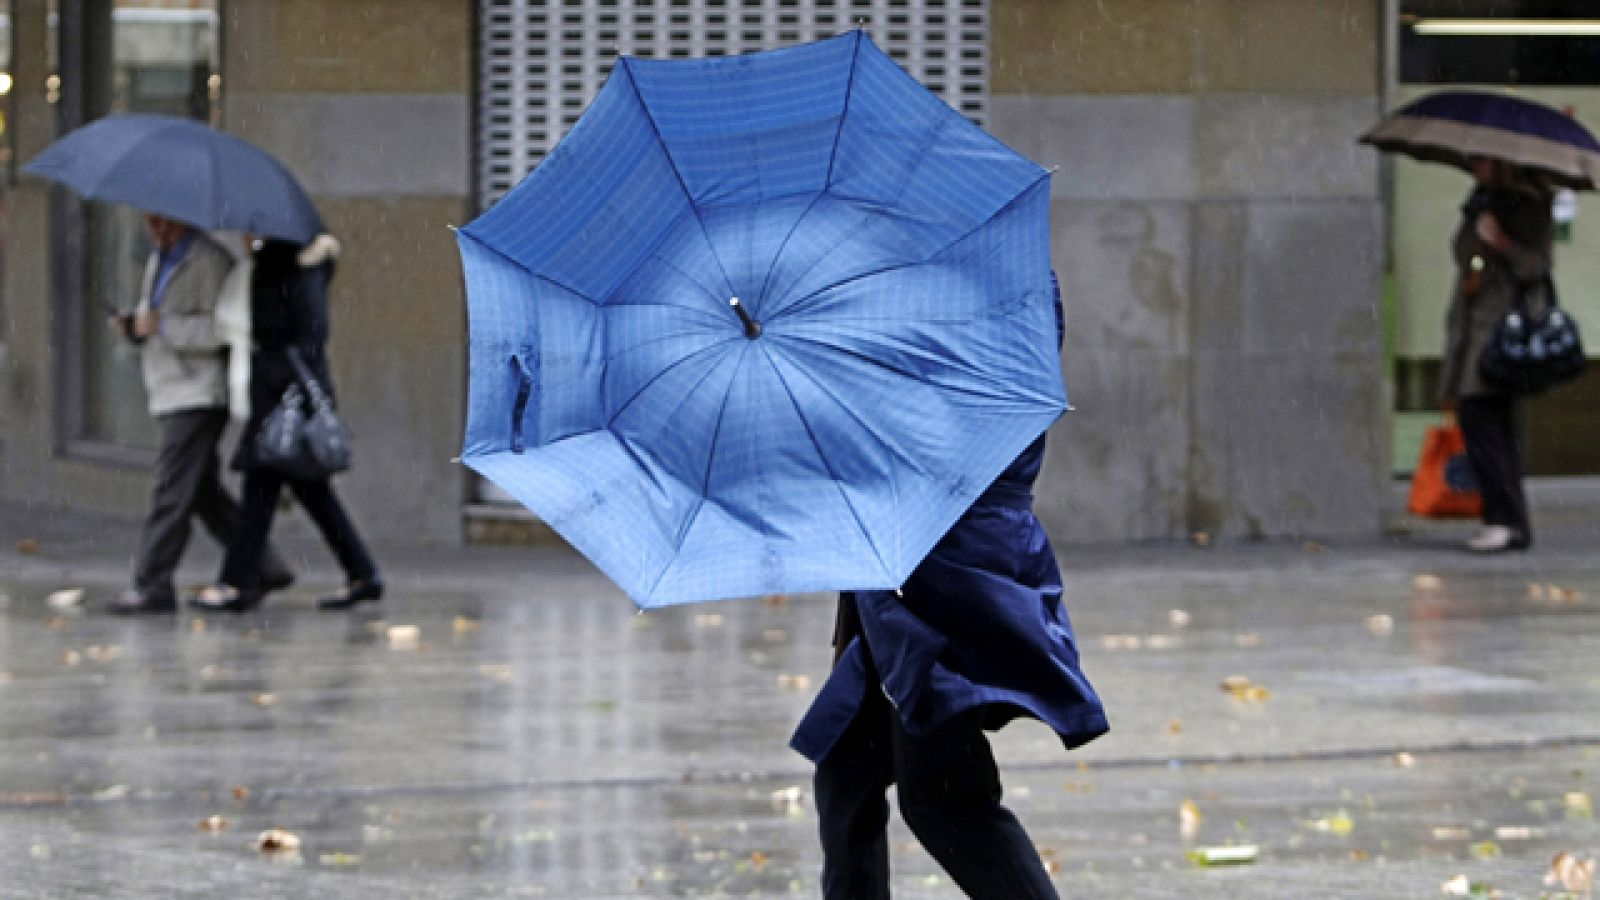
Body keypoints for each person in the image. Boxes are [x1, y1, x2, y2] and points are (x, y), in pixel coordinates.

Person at [790, 277, 1107, 899]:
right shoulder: (920, 281)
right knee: (847, 770)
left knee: (946, 801)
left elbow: (944, 428)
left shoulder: (987, 292)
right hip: (911, 567)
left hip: (946, 577)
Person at [109, 214, 293, 615]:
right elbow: (156, 314)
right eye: (150, 225)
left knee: (171, 488)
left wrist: (163, 327)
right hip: (169, 387)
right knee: (202, 491)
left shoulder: (209, 261)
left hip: (199, 391)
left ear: (182, 221)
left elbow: (218, 331)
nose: (157, 233)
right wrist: (136, 327)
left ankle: (153, 583)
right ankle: (265, 565)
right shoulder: (160, 258)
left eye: (165, 225)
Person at [193, 234, 383, 612]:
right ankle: (362, 573)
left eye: (253, 233)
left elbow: (310, 337)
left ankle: (237, 583)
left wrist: (279, 375)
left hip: (285, 402)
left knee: (259, 495)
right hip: (277, 397)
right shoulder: (271, 267)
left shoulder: (298, 271)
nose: (247, 239)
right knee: (311, 495)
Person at [1441, 157, 1554, 553]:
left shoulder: (1530, 203)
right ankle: (1509, 522)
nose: (1474, 166)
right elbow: (1461, 251)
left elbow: (1536, 267)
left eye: (1482, 161)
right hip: (1474, 321)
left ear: (1503, 162)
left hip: (1502, 330)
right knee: (1491, 423)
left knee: (1481, 416)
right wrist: (1477, 236)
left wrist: (1501, 242)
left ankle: (1503, 520)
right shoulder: (1481, 199)